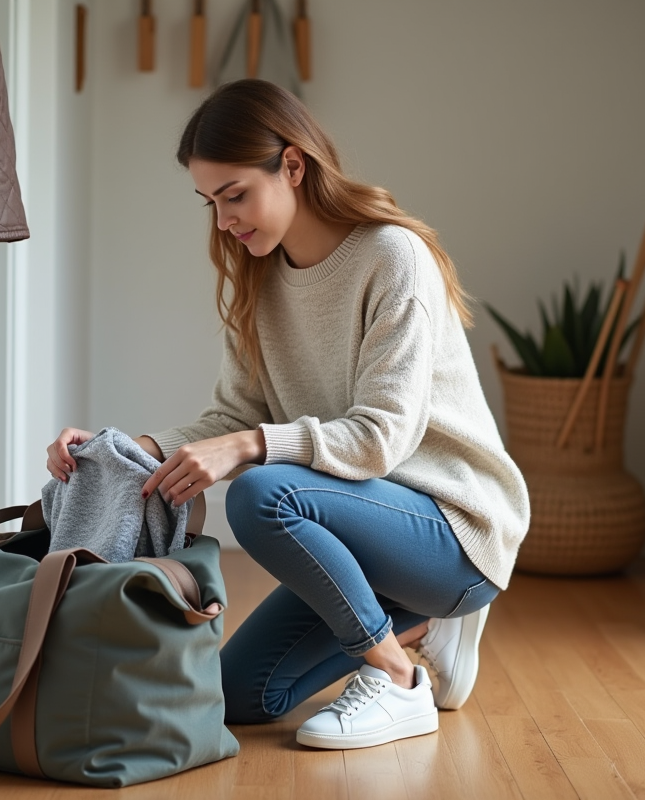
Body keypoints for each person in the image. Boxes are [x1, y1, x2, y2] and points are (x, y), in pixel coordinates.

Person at [46, 79, 530, 750]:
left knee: (260, 494)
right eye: (210, 202)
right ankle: (415, 628)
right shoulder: (260, 276)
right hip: (365, 531)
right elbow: (233, 415)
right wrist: (123, 447)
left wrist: (248, 447)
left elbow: (380, 440)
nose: (223, 220)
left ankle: (397, 678)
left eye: (235, 195)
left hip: (451, 530)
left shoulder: (393, 258)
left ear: (293, 167)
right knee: (240, 697)